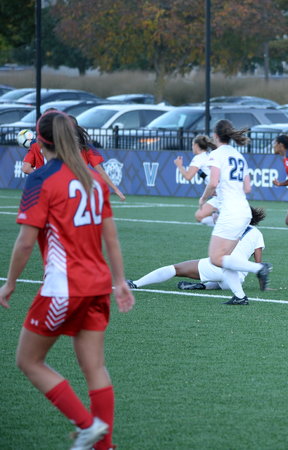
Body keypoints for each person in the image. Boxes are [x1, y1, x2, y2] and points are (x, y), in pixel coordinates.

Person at [0, 111, 135, 450]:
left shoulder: (41, 179)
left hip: (64, 286)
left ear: (39, 140)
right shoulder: (93, 179)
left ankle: (87, 426)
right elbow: (111, 236)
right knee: (95, 367)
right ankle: (104, 446)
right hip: (98, 285)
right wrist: (120, 280)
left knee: (28, 361)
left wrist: (10, 283)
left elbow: (26, 242)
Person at [200, 119, 271, 305]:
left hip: (231, 212)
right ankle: (240, 297)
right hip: (244, 210)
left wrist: (203, 198)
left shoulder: (216, 154)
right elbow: (247, 188)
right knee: (225, 259)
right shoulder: (239, 156)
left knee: (215, 258)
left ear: (216, 136)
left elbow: (213, 183)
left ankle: (258, 268)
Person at [126, 207, 266, 293]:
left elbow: (208, 220)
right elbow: (259, 264)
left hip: (219, 266)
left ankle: (136, 283)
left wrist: (215, 214)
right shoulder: (257, 233)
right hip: (237, 279)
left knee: (175, 269)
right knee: (221, 280)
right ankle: (204, 286)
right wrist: (263, 287)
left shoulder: (229, 225)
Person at [22, 116, 126, 202]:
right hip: (78, 189)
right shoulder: (86, 147)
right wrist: (116, 189)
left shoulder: (50, 145)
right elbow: (100, 171)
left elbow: (26, 168)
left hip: (57, 188)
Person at [174, 134, 219, 226]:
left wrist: (179, 165)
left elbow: (188, 176)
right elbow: (208, 176)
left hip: (221, 194)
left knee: (200, 216)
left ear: (196, 145)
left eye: (192, 145)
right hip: (219, 192)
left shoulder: (199, 158)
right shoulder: (209, 155)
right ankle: (221, 219)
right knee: (199, 216)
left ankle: (223, 221)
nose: (192, 147)